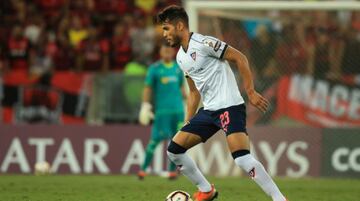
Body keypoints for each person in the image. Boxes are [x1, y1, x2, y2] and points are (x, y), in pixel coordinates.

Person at [157, 5, 288, 201]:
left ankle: (279, 199)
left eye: (167, 28)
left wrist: (250, 92)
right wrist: (187, 120)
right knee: (174, 151)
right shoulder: (180, 57)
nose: (164, 33)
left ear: (180, 25)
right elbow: (193, 92)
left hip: (230, 106)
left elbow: (240, 58)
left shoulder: (205, 43)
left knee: (242, 159)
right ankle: (206, 190)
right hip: (208, 111)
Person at [138, 42, 185, 180]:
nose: (167, 50)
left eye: (170, 48)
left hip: (178, 111)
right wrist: (145, 105)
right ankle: (143, 169)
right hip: (162, 111)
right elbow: (147, 88)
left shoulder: (178, 69)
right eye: (165, 48)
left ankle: (172, 171)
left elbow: (182, 89)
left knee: (176, 142)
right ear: (160, 51)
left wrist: (188, 102)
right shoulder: (155, 69)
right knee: (155, 140)